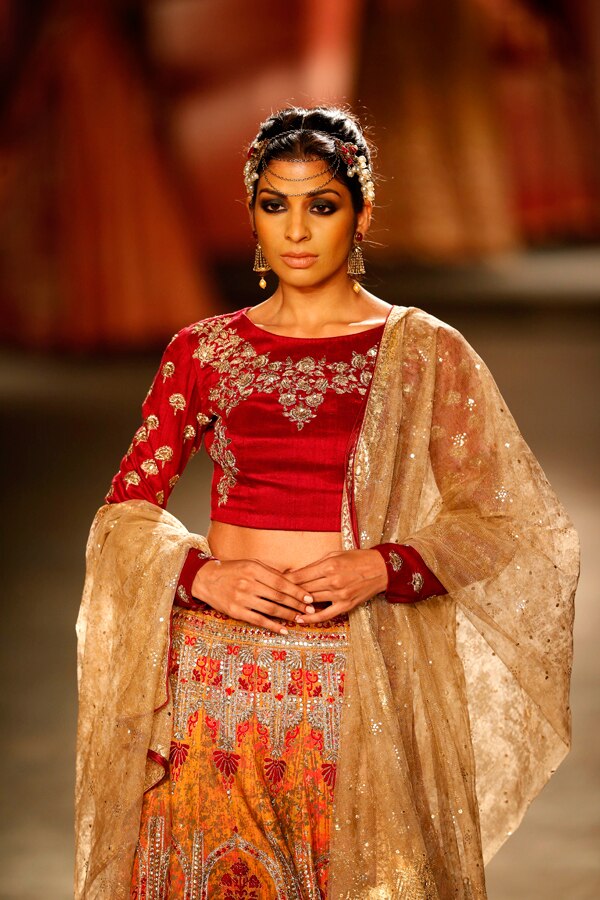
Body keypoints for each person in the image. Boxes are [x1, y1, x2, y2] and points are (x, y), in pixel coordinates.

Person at [75, 106, 579, 900]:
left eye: (323, 205)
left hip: (361, 682)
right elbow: (123, 514)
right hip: (216, 684)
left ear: (362, 211)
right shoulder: (203, 349)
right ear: (251, 216)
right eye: (275, 205)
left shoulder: (424, 350)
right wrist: (202, 575)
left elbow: (509, 521)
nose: (297, 231)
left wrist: (383, 566)